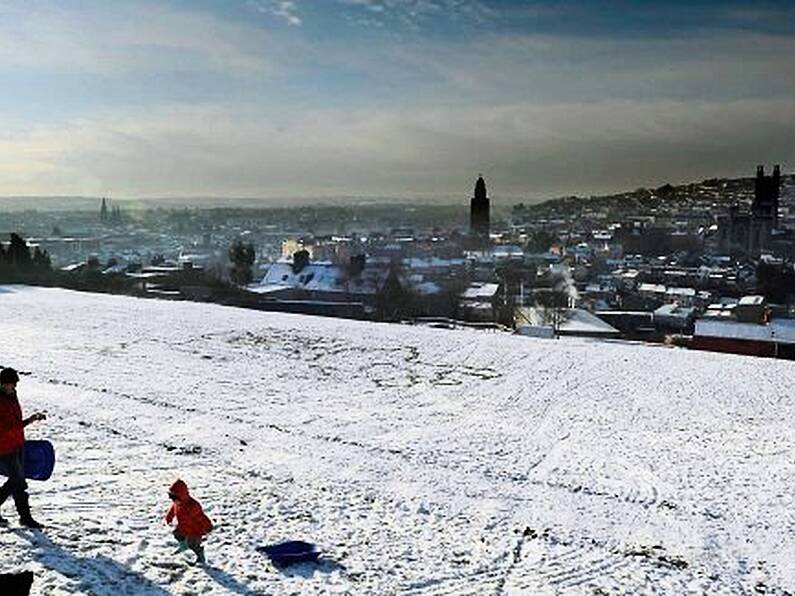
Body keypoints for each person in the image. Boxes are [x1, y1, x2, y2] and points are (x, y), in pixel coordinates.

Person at [0, 367, 46, 529]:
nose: (13, 387)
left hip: (17, 444)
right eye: (11, 384)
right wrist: (26, 423)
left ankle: (25, 518)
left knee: (15, 481)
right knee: (19, 483)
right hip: (4, 448)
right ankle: (25, 518)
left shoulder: (12, 396)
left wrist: (30, 420)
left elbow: (15, 423)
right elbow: (5, 428)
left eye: (14, 384)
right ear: (3, 383)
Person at [165, 479, 212, 565]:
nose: (173, 501)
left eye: (174, 498)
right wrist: (169, 517)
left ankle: (200, 557)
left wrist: (208, 526)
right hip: (183, 527)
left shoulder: (193, 506)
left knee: (193, 545)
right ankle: (183, 546)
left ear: (181, 496)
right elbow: (172, 510)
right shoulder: (177, 503)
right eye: (171, 498)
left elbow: (201, 516)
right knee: (177, 533)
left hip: (195, 530)